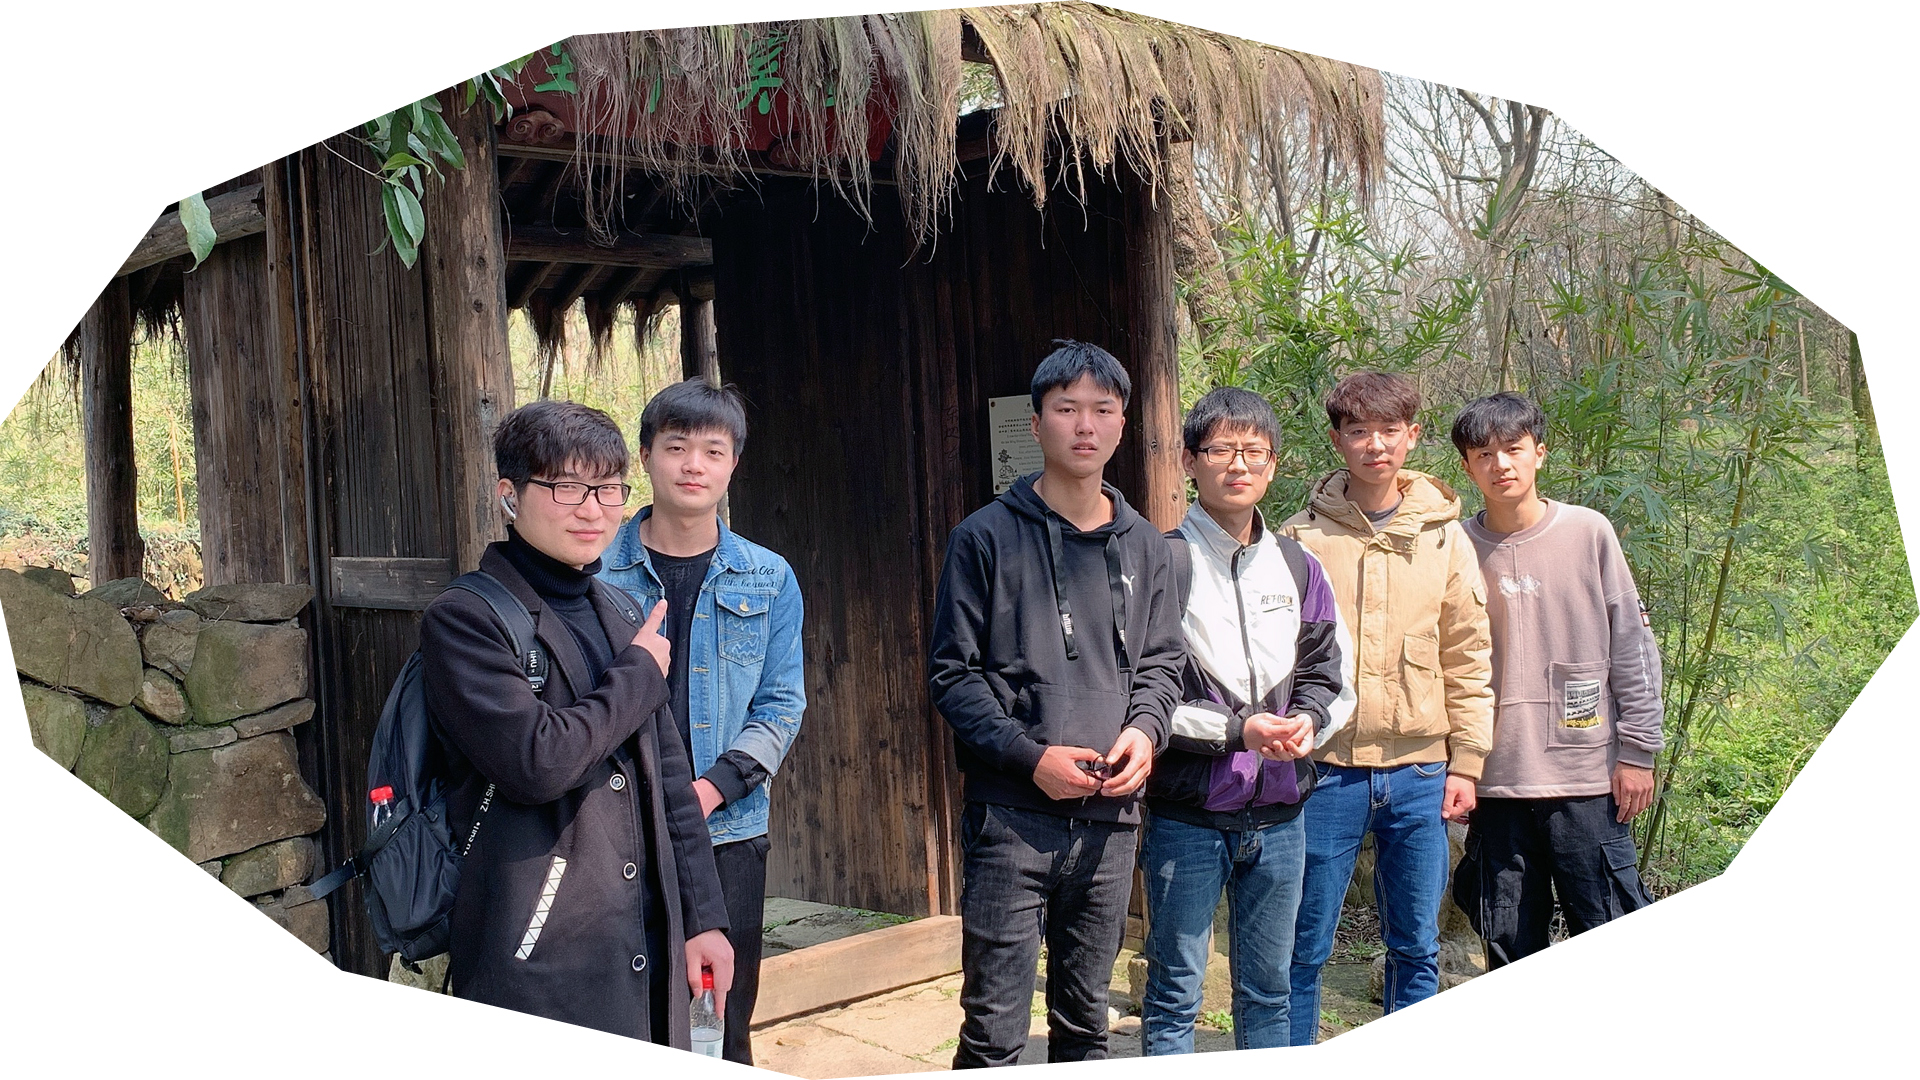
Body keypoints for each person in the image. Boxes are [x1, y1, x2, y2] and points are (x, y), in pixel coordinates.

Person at [420, 398, 732, 1045]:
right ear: (510, 495)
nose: (593, 510)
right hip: (538, 956)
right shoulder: (466, 619)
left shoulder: (620, 609)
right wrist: (639, 675)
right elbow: (536, 761)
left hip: (646, 945)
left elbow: (670, 779)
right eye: (567, 487)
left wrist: (702, 916)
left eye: (609, 488)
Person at [928, 340, 1184, 1068]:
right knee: (993, 1030)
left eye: (1102, 409)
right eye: (1067, 408)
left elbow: (1164, 663)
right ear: (1036, 423)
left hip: (1111, 819)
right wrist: (1029, 758)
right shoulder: (983, 538)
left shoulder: (1146, 546)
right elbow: (952, 675)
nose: (1085, 425)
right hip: (1010, 815)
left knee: (1085, 1024)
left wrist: (1145, 731)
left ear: (1122, 424)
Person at [1139, 387, 1355, 1054]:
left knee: (1269, 992)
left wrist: (1308, 723)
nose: (1239, 464)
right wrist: (1238, 733)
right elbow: (1141, 697)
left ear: (1273, 464)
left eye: (1254, 451)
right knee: (1174, 994)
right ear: (1189, 461)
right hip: (1187, 816)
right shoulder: (1160, 562)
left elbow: (1333, 673)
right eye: (1221, 450)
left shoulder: (1296, 565)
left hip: (1282, 818)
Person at [1282, 371, 1493, 1044]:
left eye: (1389, 430)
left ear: (1412, 436)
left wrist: (1469, 763)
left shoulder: (1444, 537)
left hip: (1421, 771)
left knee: (1415, 945)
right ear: (1337, 440)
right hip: (1326, 769)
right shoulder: (1300, 539)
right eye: (1359, 431)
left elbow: (1468, 654)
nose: (1375, 445)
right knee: (1303, 944)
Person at [600, 378, 806, 1065]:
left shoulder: (769, 577)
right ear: (645, 456)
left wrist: (709, 790)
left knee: (721, 1022)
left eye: (712, 451)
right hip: (616, 829)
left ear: (732, 464)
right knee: (622, 1017)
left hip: (728, 832)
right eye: (676, 446)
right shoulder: (596, 570)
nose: (693, 465)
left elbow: (781, 705)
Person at [1449, 391, 1662, 967]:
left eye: (1513, 449)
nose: (1501, 464)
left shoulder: (1588, 532)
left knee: (1610, 928)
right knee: (1509, 946)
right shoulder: (1454, 547)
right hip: (1495, 781)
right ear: (1467, 467)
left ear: (1540, 453)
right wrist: (1456, 765)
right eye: (1484, 454)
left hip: (1587, 778)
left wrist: (1638, 752)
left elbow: (1633, 648)